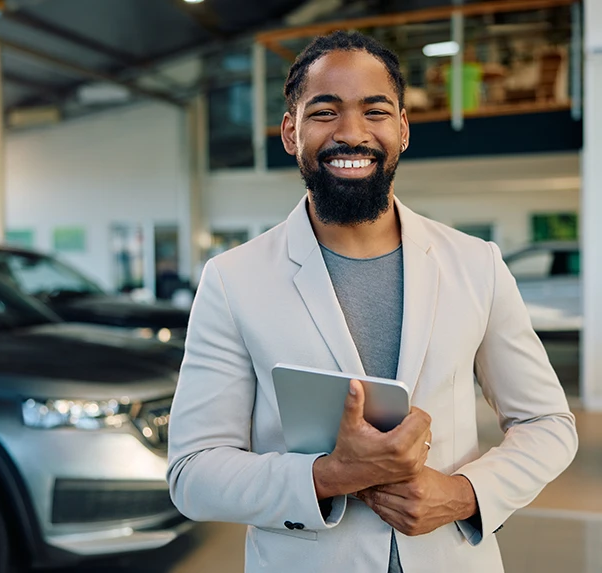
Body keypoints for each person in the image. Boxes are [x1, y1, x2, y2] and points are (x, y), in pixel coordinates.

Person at [163, 30, 577, 573]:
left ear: (403, 129)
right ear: (291, 131)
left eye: (375, 111)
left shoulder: (476, 264)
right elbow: (192, 473)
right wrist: (329, 476)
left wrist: (463, 494)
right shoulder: (232, 279)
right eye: (324, 112)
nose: (351, 133)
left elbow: (548, 423)